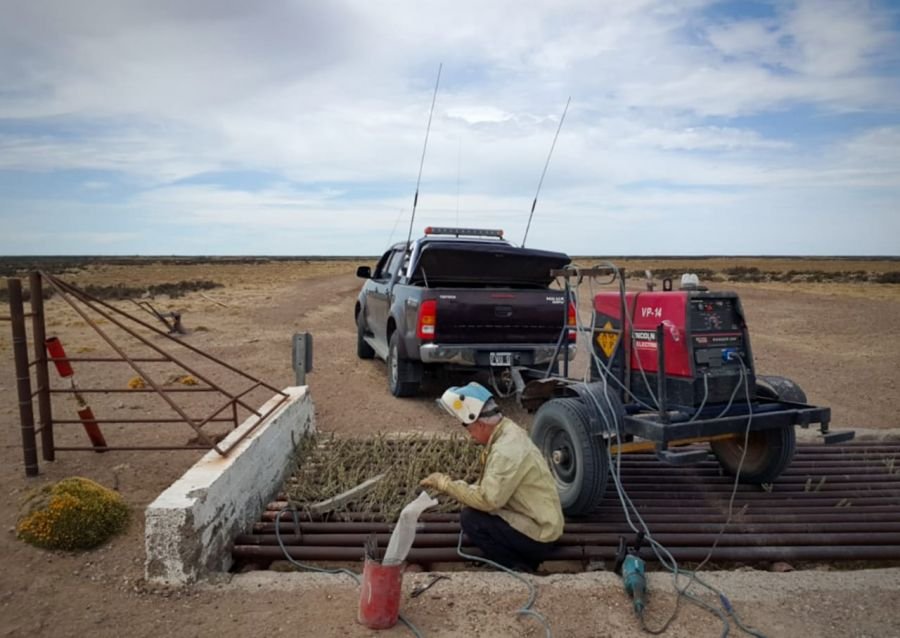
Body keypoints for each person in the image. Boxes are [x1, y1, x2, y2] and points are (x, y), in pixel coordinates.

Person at [420, 382, 564, 572]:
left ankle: (519, 567)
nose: (470, 436)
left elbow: (487, 500)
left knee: (471, 519)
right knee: (477, 510)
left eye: (469, 430)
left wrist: (446, 484)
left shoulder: (505, 451)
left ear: (480, 423)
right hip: (541, 520)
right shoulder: (508, 430)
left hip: (541, 535)